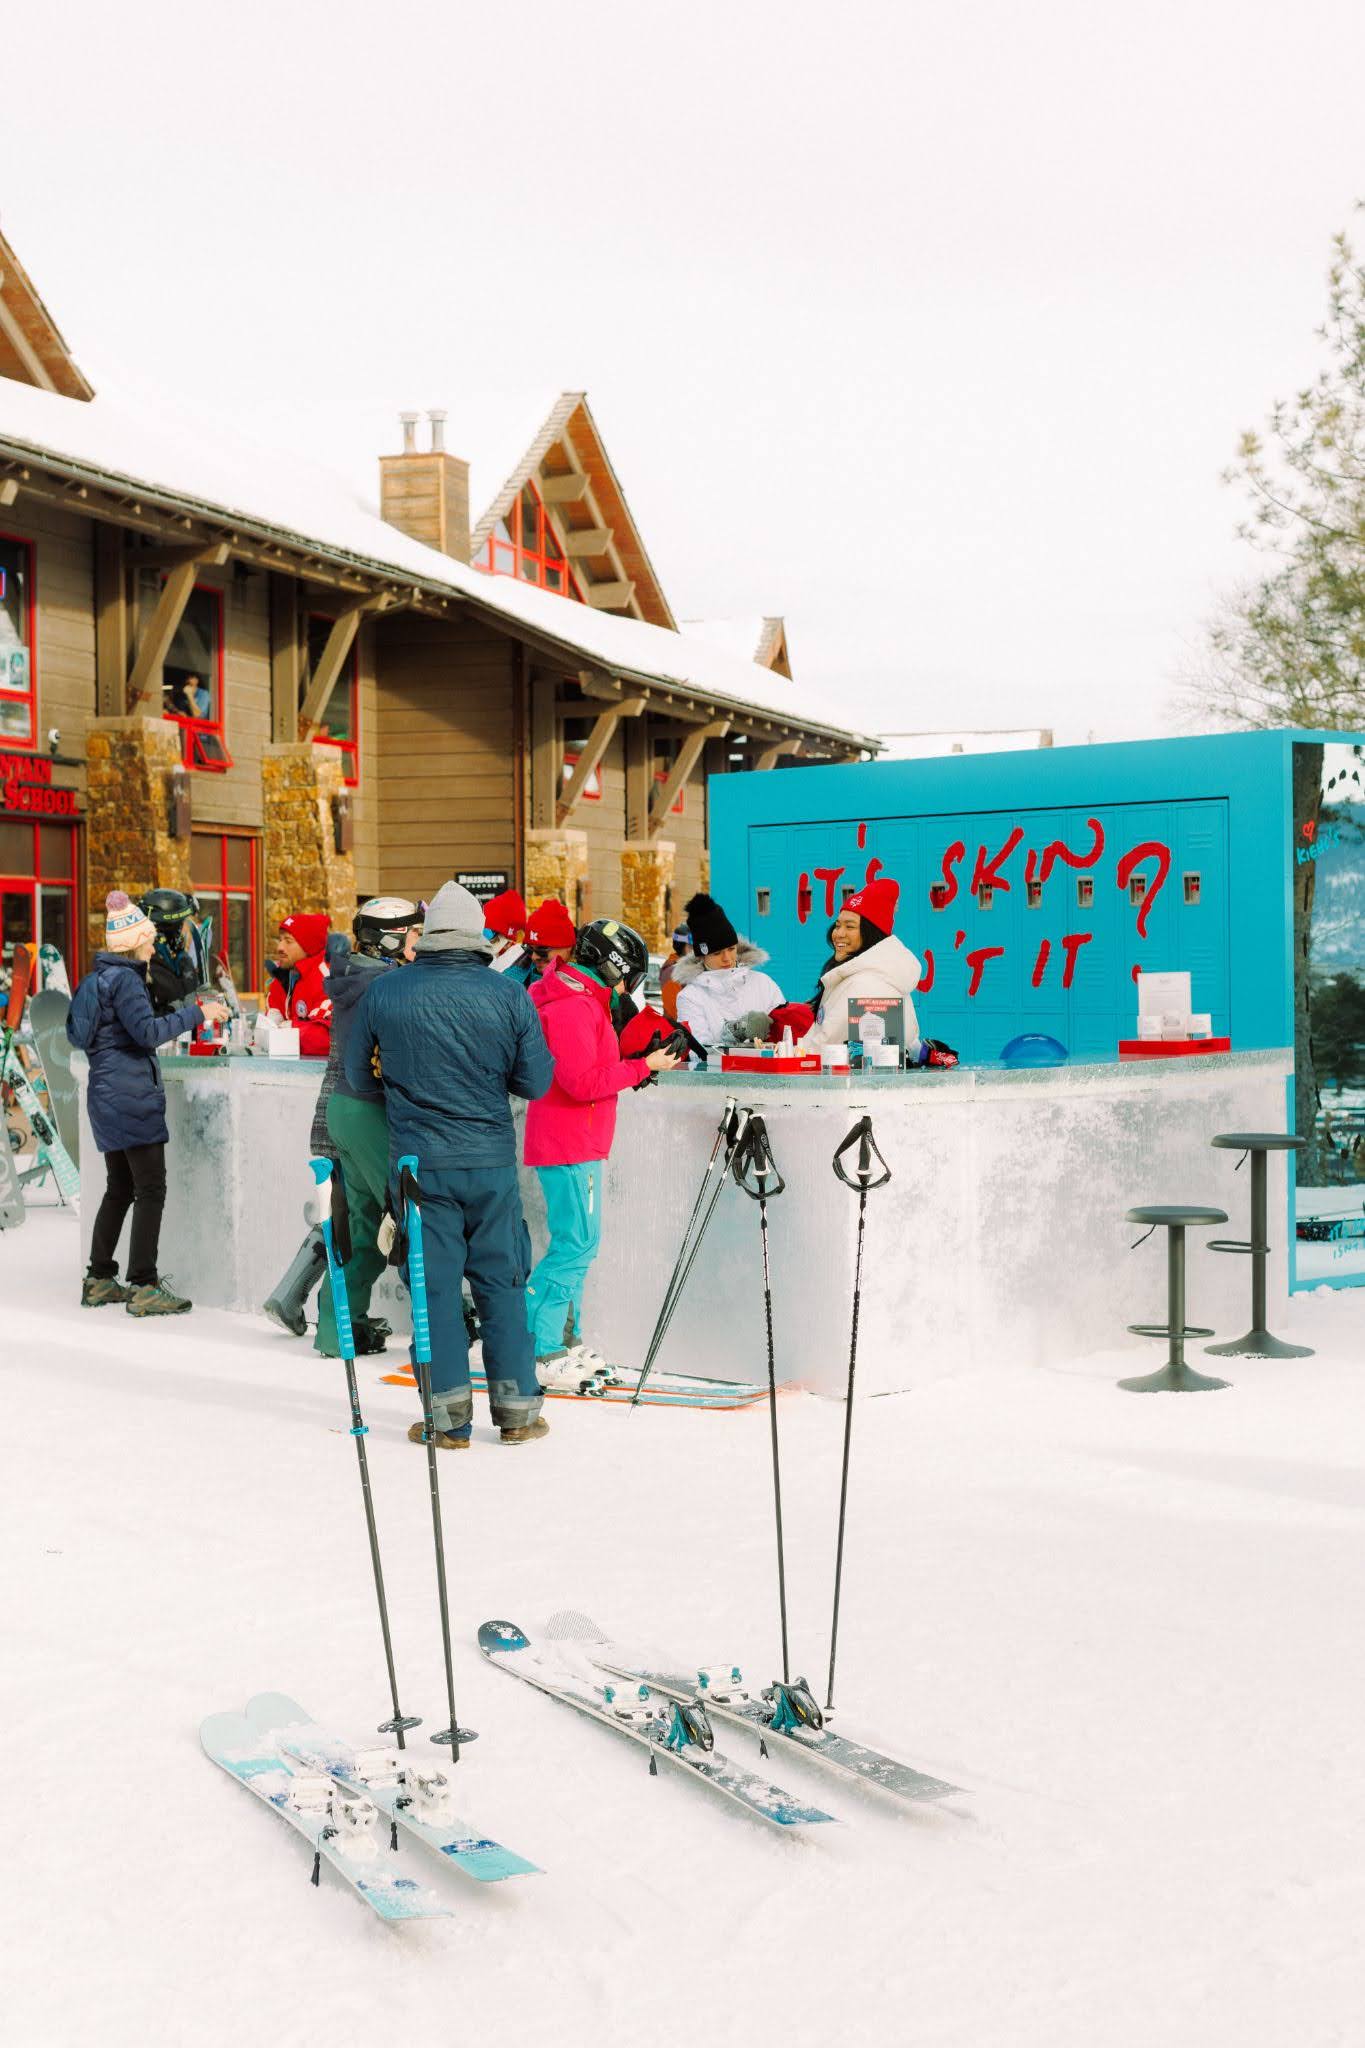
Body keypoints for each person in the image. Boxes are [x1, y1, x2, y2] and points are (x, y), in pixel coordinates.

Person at [345, 879, 555, 1448]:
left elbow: (358, 1076)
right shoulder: (509, 995)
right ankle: (517, 1412)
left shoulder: (386, 993)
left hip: (420, 1167)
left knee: (433, 1288)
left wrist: (402, 1085)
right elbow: (536, 1082)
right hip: (490, 1164)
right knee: (502, 1283)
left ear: (430, 933)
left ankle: (447, 1420)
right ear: (477, 934)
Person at [524, 917, 681, 1382]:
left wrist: (636, 1065)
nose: (629, 988)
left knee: (578, 1245)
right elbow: (579, 1083)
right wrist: (642, 1067)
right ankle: (539, 1345)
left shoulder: (583, 1000)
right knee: (575, 1246)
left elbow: (589, 1071)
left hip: (577, 1141)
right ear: (614, 967)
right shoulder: (574, 1007)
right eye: (631, 977)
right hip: (570, 1142)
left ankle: (562, 1339)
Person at [67, 891, 228, 1314]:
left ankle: (99, 1278)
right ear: (134, 941)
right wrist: (199, 1013)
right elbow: (147, 1033)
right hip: (131, 1097)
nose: (154, 948)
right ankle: (143, 1284)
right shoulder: (128, 981)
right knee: (150, 1188)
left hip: (107, 1095)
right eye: (150, 940)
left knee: (120, 1187)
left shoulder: (99, 979)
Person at [313, 897, 424, 1359]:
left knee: (363, 1225)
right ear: (391, 939)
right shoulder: (385, 983)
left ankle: (339, 1327)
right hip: (371, 1109)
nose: (420, 941)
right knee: (410, 1215)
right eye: (414, 934)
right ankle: (439, 1324)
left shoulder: (356, 976)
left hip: (346, 1108)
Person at [806, 877, 922, 1048]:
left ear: (870, 933)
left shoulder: (865, 986)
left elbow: (824, 1047)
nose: (838, 934)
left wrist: (787, 1054)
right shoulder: (873, 976)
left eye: (850, 927)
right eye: (837, 925)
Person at [673, 892, 785, 1053]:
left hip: (768, 1069)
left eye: (731, 949)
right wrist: (735, 1031)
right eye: (717, 953)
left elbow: (786, 1035)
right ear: (702, 956)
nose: (727, 958)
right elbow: (698, 1052)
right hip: (721, 1070)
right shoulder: (690, 997)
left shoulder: (763, 983)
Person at [266, 912, 333, 1056]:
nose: (279, 947)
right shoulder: (282, 979)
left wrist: (290, 1030)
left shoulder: (328, 981)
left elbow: (326, 1038)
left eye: (288, 941)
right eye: (280, 939)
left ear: (308, 946)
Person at [137, 889, 203, 1017]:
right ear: (169, 929)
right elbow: (146, 1021)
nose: (186, 931)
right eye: (182, 924)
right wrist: (182, 1010)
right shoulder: (145, 966)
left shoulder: (182, 960)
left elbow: (192, 992)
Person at [526, 899, 576, 976]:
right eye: (529, 949)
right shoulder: (518, 977)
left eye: (542, 950)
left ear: (568, 947)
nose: (534, 957)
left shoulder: (587, 980)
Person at [658, 923, 691, 1022]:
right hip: (678, 1027)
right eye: (691, 947)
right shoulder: (672, 973)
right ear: (681, 947)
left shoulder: (689, 967)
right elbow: (674, 1012)